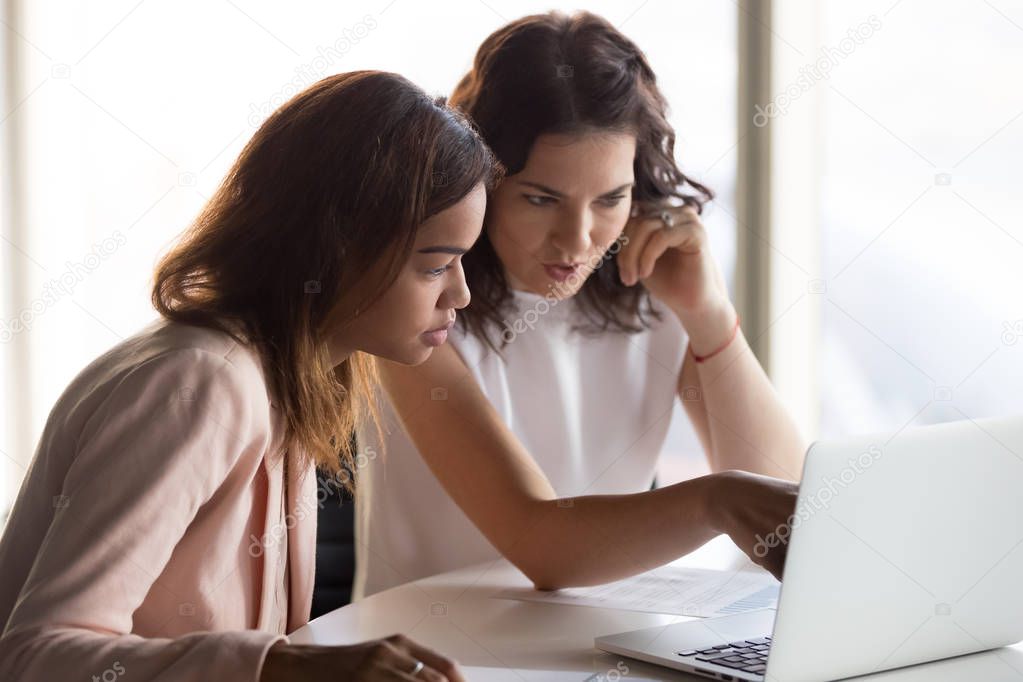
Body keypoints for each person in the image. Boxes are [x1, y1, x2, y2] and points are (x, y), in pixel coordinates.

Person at [0, 70, 499, 682]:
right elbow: (34, 655)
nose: (462, 294)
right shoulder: (200, 385)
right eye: (435, 266)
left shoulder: (295, 377)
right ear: (334, 248)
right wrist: (285, 669)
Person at [354, 12, 805, 600]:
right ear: (482, 184)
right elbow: (542, 546)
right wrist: (715, 500)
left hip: (614, 644)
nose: (577, 240)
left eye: (610, 199)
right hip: (434, 653)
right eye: (542, 199)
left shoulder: (653, 290)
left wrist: (708, 313)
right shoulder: (422, 302)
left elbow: (786, 503)